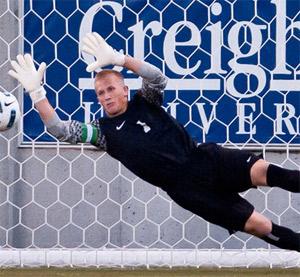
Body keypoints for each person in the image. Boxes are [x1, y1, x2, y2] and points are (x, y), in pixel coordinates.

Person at [8, 32, 300, 251]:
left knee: (271, 173)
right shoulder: (104, 133)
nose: (106, 96)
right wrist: (36, 92)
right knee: (260, 226)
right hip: (188, 190)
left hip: (206, 159)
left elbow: (157, 78)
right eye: (100, 93)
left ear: (124, 89)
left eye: (110, 88)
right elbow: (59, 129)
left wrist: (121, 60)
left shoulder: (145, 102)